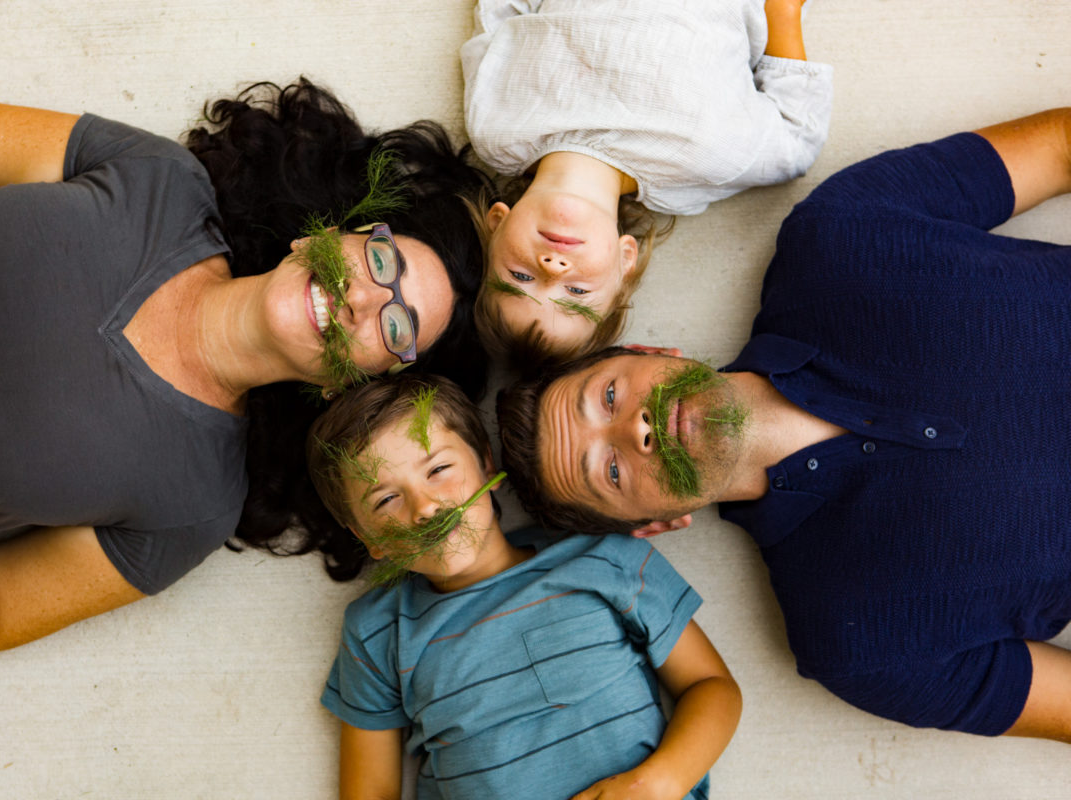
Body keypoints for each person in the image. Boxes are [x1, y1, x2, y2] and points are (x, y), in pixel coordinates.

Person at [496, 107, 1071, 742]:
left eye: (606, 399)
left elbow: (1060, 147)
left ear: (650, 356)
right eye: (608, 470)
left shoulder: (839, 237)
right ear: (653, 526)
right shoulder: (856, 644)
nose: (636, 432)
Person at [0, 79, 491, 651]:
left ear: (347, 385)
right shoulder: (161, 180)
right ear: (324, 234)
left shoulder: (192, 509)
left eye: (397, 326)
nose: (364, 297)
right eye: (383, 262)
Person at [307, 374, 741, 799]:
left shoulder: (601, 557)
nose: (424, 508)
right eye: (386, 500)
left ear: (485, 462)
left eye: (438, 469)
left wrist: (660, 783)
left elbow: (711, 685)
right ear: (366, 539)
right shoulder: (376, 631)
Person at [462, 0, 832, 363]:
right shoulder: (703, 161)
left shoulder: (496, 131)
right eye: (576, 290)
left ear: (496, 223)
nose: (552, 267)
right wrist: (782, 13)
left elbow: (498, 17)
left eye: (521, 276)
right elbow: (796, 141)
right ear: (626, 260)